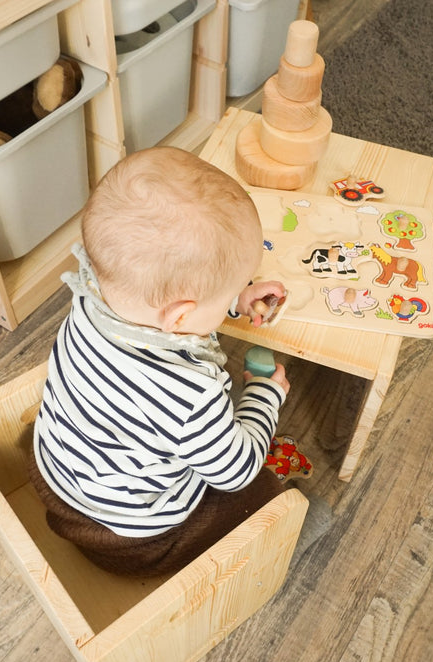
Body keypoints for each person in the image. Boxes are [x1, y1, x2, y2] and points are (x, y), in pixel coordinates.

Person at [29, 146, 290, 577]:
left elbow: (166, 315)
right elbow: (236, 470)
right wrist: (264, 396)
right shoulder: (192, 395)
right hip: (136, 542)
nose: (237, 295)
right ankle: (288, 528)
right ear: (182, 315)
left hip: (55, 482)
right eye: (230, 292)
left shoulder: (92, 298)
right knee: (262, 491)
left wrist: (231, 301)